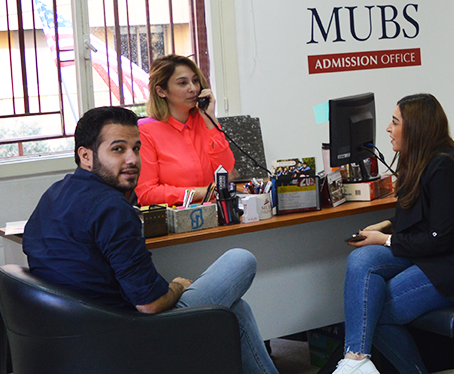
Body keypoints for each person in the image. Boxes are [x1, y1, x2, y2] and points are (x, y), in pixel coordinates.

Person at [22, 106, 278, 374]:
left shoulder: (55, 193)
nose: (132, 159)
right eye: (118, 149)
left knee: (236, 310)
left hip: (75, 334)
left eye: (136, 148)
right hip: (130, 335)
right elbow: (150, 304)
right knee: (241, 259)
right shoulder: (111, 209)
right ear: (85, 156)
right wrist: (178, 287)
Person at [333, 94, 454, 374]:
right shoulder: (420, 161)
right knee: (362, 260)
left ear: (416, 129)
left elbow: (439, 237)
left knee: (376, 311)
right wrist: (386, 225)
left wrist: (386, 240)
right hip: (433, 253)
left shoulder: (447, 166)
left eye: (395, 122)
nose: (388, 128)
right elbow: (425, 215)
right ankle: (356, 359)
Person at [136, 54, 235, 206]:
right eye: (182, 83)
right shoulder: (145, 130)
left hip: (215, 210)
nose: (193, 89)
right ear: (161, 91)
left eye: (195, 81)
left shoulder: (205, 121)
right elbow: (147, 194)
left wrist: (211, 121)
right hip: (176, 214)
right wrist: (203, 192)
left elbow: (225, 170)